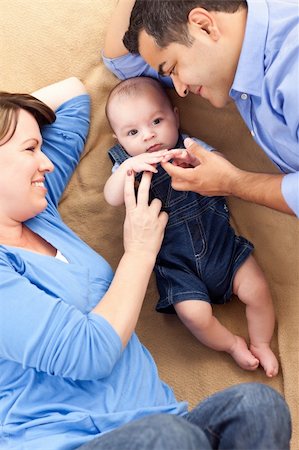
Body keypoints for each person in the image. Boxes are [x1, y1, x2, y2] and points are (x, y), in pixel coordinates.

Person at [0, 77, 291, 450]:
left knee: (258, 407)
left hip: (163, 423)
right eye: (31, 149)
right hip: (72, 440)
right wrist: (139, 251)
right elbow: (89, 355)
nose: (47, 163)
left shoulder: (38, 215)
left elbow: (73, 97)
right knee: (169, 437)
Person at [104, 75, 279, 377]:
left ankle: (261, 342)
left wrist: (196, 160)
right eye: (132, 132)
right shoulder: (126, 168)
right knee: (194, 315)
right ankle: (231, 344)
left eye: (157, 121)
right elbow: (111, 197)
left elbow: (222, 168)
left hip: (223, 250)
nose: (148, 136)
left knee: (258, 290)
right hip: (177, 267)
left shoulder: (191, 147)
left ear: (175, 115)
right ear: (119, 141)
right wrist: (128, 170)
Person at [102, 0, 299, 217]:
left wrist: (233, 182)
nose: (180, 90)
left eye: (173, 68)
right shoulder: (229, 54)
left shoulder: (291, 69)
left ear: (204, 26)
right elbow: (122, 62)